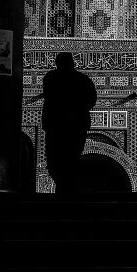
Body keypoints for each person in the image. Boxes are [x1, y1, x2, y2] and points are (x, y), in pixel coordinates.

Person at [42, 52, 97, 194]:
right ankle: (67, 191)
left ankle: (65, 192)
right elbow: (91, 100)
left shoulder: (51, 78)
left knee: (61, 162)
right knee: (66, 161)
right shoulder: (82, 80)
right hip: (70, 128)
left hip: (59, 128)